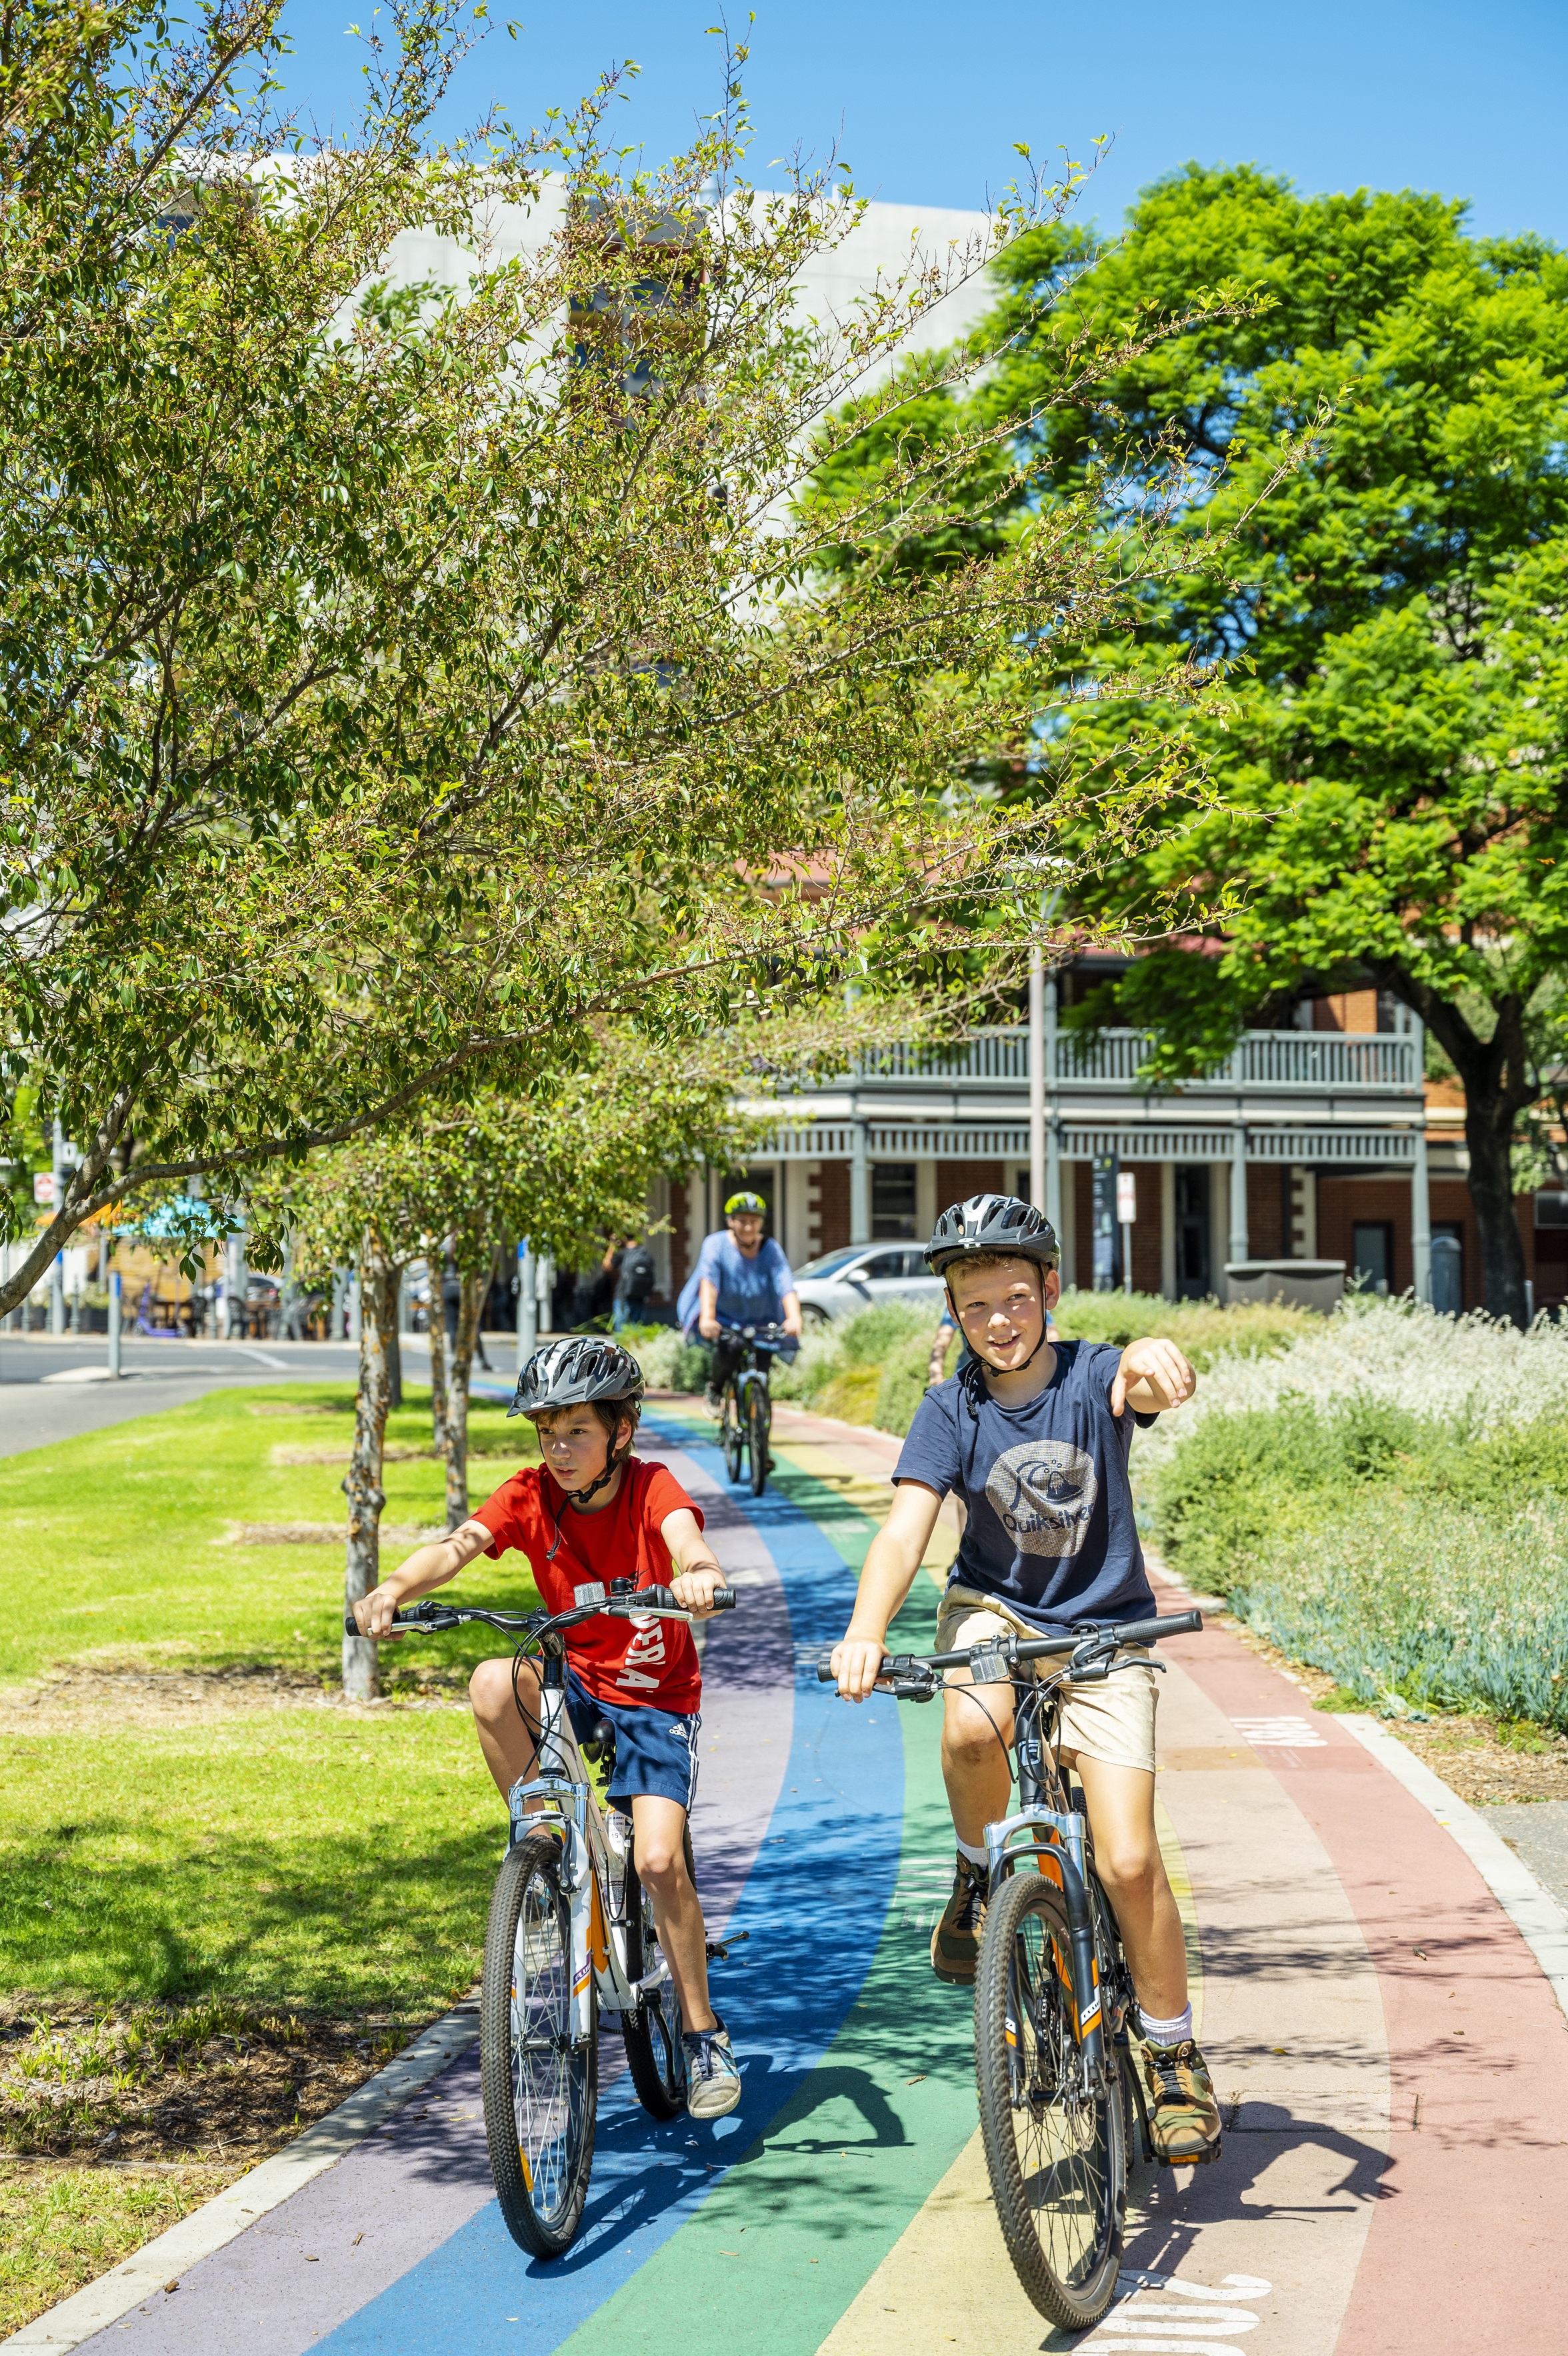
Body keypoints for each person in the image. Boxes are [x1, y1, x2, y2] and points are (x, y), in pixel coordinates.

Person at [829, 1192, 1221, 2167]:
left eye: (1015, 1297)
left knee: (1128, 1862)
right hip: (995, 1612)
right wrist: (865, 1631)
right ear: (952, 1313)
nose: (998, 1320)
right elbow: (905, 1531)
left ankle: (1173, 2054)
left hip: (1108, 1631)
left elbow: (1138, 1376)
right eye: (975, 1305)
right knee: (972, 1728)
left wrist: (1156, 1355)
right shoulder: (949, 1409)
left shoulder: (1093, 1375)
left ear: (1049, 1290)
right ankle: (978, 1872)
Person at [352, 1336, 741, 2121]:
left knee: (659, 1860)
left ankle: (703, 2033)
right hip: (575, 1682)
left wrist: (700, 1575)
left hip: (654, 1701)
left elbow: (684, 1538)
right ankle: (546, 1849)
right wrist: (392, 1588)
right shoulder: (531, 1495)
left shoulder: (651, 1487)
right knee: (493, 1680)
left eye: (578, 1432)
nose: (559, 1450)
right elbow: (459, 1545)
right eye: (547, 1433)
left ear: (620, 1432)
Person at [679, 1191, 803, 1415]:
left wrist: (794, 1317)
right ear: (731, 1222)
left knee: (763, 1365)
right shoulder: (716, 1244)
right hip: (726, 1318)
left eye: (754, 1221)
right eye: (742, 1221)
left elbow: (785, 1284)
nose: (748, 1227)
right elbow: (709, 1283)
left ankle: (758, 1421)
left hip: (761, 1319)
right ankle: (715, 1389)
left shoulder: (770, 1248)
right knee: (732, 1349)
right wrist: (708, 1318)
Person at [612, 1234, 658, 1332]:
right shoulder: (646, 1253)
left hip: (623, 1295)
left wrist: (612, 1244)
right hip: (641, 1295)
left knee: (621, 1329)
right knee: (637, 1329)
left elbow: (606, 1265)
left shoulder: (623, 1253)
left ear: (624, 1238)